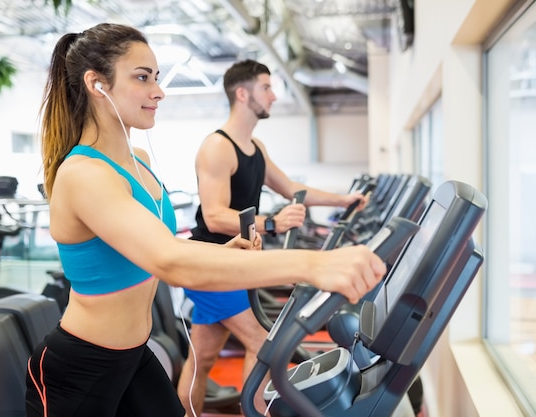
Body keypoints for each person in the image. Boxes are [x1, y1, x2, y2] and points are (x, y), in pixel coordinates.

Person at [25, 23, 386, 417]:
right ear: (97, 84)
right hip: (80, 367)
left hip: (133, 355)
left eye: (157, 78)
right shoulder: (83, 174)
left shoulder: (138, 164)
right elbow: (169, 262)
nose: (158, 91)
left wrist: (224, 250)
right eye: (142, 78)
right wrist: (314, 264)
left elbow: (159, 247)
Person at [177, 59, 370, 416]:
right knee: (262, 342)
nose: (274, 96)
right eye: (266, 88)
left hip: (235, 264)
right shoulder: (217, 147)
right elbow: (216, 216)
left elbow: (292, 189)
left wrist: (343, 199)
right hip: (211, 262)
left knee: (202, 358)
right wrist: (272, 224)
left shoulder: (256, 148)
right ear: (242, 93)